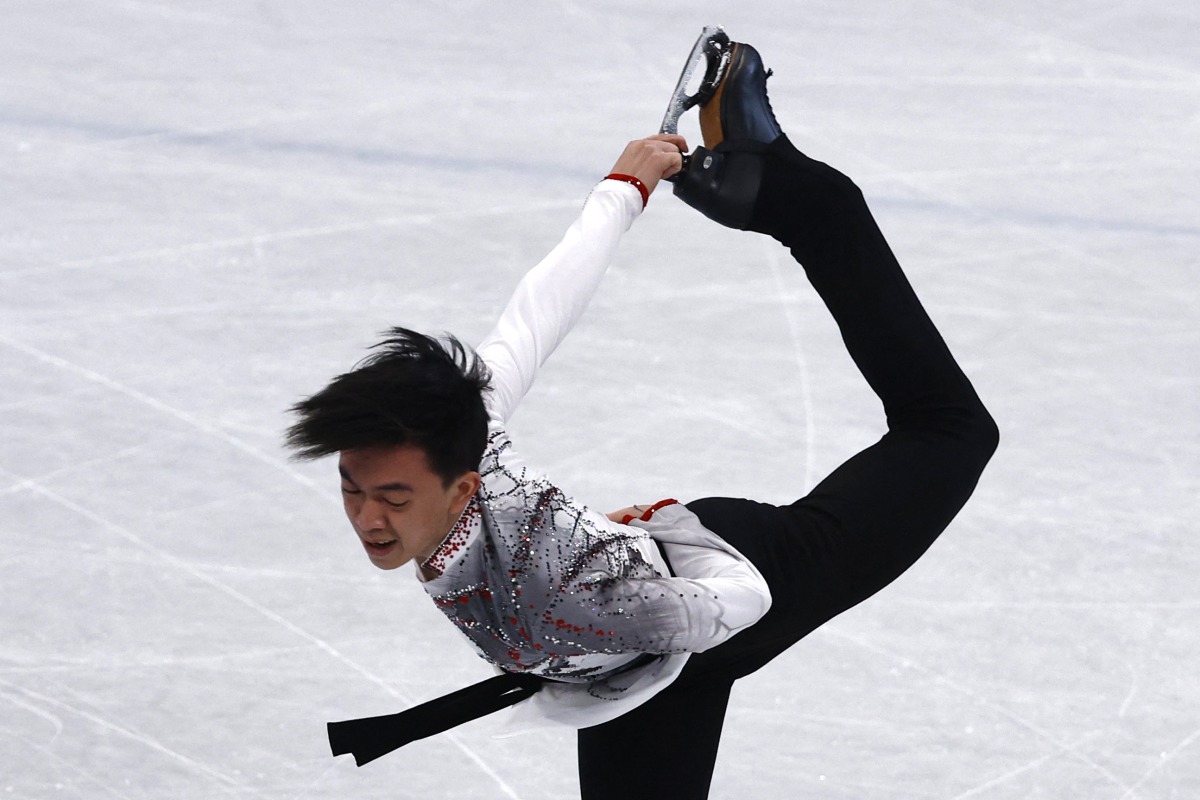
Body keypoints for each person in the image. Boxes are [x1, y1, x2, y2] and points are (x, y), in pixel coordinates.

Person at [287, 33, 998, 800]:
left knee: (949, 430)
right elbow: (538, 313)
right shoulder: (460, 431)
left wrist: (668, 534)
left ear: (462, 488)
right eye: (353, 490)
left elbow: (742, 604)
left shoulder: (558, 590)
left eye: (393, 498)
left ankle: (810, 206)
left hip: (729, 576)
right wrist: (622, 189)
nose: (367, 517)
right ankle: (778, 190)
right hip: (630, 679)